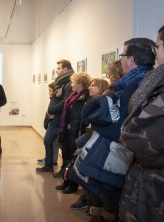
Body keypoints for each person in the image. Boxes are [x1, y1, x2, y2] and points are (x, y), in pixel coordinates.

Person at [76, 38, 156, 222]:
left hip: (119, 150)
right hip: (116, 149)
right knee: (105, 188)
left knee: (110, 190)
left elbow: (120, 125)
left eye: (122, 56)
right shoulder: (139, 81)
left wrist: (97, 124)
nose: (121, 60)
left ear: (131, 59)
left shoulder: (137, 85)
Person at [118, 25, 164, 222]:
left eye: (158, 46)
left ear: (131, 60)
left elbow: (138, 136)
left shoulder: (141, 81)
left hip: (155, 187)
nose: (156, 54)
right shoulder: (152, 80)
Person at [70, 78, 110, 214]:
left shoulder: (102, 106)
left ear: (102, 88)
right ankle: (89, 202)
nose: (90, 88)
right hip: (88, 142)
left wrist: (80, 142)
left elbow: (94, 129)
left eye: (94, 86)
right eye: (90, 85)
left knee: (91, 177)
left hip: (95, 145)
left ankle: (93, 204)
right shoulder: (93, 103)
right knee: (86, 176)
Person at [54, 72, 92, 194]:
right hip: (67, 132)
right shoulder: (73, 96)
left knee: (73, 159)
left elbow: (83, 120)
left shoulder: (85, 99)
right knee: (66, 157)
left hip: (76, 133)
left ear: (80, 84)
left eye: (73, 83)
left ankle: (73, 185)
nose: (71, 85)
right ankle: (66, 181)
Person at [36, 59, 73, 173]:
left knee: (64, 147)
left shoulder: (68, 83)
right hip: (54, 119)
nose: (56, 70)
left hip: (60, 120)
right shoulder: (60, 82)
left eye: (58, 68)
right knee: (47, 141)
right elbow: (56, 99)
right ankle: (49, 165)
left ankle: (67, 170)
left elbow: (65, 102)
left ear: (65, 69)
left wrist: (51, 110)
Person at [37, 82, 59, 167]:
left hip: (55, 123)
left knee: (53, 143)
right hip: (51, 123)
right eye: (49, 90)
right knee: (51, 142)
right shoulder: (53, 99)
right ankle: (49, 159)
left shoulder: (57, 100)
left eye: (51, 90)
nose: (49, 92)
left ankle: (53, 161)